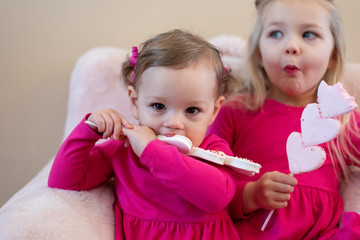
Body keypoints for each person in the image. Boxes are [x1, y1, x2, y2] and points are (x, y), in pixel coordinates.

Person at [48, 29, 240, 240]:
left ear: (213, 110)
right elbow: (65, 181)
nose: (174, 123)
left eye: (192, 110)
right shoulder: (122, 148)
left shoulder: (213, 151)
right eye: (158, 106)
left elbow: (216, 198)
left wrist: (152, 152)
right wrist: (89, 131)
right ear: (135, 102)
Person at [207, 0, 360, 239]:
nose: (291, 46)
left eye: (309, 34)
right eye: (276, 33)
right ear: (258, 52)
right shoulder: (234, 111)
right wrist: (250, 196)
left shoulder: (346, 121)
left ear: (333, 55)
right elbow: (206, 185)